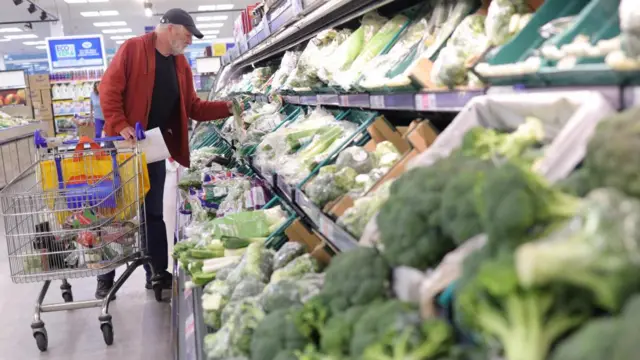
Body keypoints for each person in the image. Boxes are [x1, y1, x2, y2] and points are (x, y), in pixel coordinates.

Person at [97, 8, 234, 299]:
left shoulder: (181, 64)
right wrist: (120, 124)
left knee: (153, 212)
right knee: (115, 213)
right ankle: (105, 275)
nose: (188, 42)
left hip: (152, 147)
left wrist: (229, 107)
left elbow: (194, 107)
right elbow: (108, 89)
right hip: (122, 147)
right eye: (187, 35)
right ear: (169, 28)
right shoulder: (133, 49)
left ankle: (157, 272)